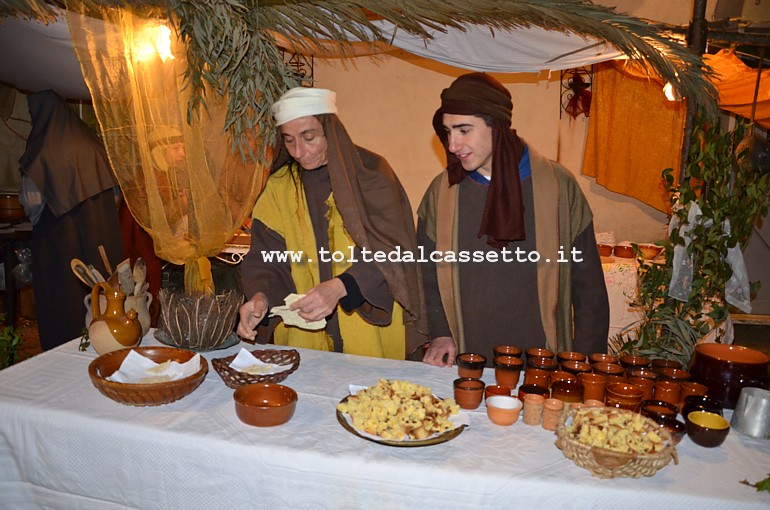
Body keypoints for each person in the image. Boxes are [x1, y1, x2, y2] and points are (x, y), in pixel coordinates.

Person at [418, 73, 609, 367]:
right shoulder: (441, 194)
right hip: (466, 357)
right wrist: (442, 333)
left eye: (464, 130)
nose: (453, 145)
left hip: (542, 360)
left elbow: (589, 288)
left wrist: (584, 364)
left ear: (496, 126)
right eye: (447, 132)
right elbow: (428, 274)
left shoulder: (558, 187)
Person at [237, 87, 427, 359]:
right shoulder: (280, 187)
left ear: (331, 131)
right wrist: (261, 297)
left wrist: (341, 286)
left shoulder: (372, 175)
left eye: (309, 137)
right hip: (303, 333)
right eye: (289, 141)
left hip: (369, 328)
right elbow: (268, 259)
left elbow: (396, 250)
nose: (299, 152)